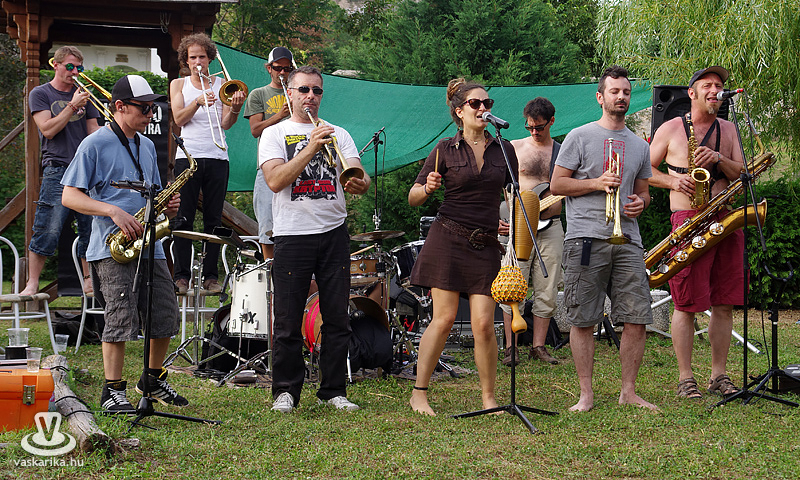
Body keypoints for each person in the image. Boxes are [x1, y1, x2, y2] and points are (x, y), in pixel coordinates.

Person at [61, 75, 187, 411]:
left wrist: (166, 205)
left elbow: (151, 194)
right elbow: (69, 196)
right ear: (119, 106)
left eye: (152, 108)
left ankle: (153, 379)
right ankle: (112, 391)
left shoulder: (147, 146)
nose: (151, 114)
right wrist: (112, 211)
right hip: (112, 246)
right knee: (119, 317)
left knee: (165, 314)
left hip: (149, 244)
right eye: (144, 108)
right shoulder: (94, 144)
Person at [259, 66, 370, 413]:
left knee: (337, 316)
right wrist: (309, 148)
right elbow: (275, 180)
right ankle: (286, 391)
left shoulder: (339, 132)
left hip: (334, 232)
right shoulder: (274, 134)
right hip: (292, 234)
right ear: (289, 93)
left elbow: (358, 174)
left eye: (317, 91)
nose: (311, 96)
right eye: (304, 89)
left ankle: (334, 390)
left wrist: (360, 183)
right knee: (288, 318)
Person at [407, 78, 517, 416]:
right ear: (459, 111)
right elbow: (413, 197)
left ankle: (489, 398)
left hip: (485, 243)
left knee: (484, 324)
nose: (483, 108)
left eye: (488, 103)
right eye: (475, 103)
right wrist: (427, 188)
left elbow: (514, 195)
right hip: (448, 239)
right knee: (444, 319)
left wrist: (511, 222)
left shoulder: (504, 149)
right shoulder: (444, 149)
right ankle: (419, 393)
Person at [550, 65, 657, 412]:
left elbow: (644, 192)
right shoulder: (579, 136)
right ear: (600, 97)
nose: (621, 97)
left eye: (626, 92)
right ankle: (586, 394)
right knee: (583, 317)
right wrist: (596, 183)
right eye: (614, 91)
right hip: (585, 237)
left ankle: (629, 392)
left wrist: (641, 203)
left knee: (637, 316)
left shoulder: (639, 145)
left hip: (628, 239)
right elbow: (557, 184)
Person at [649, 66, 745, 399]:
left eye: (719, 85)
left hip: (725, 217)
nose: (715, 90)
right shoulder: (671, 128)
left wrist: (718, 158)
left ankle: (719, 375)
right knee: (686, 303)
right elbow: (644, 169)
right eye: (708, 85)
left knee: (724, 302)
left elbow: (743, 174)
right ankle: (685, 378)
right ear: (692, 93)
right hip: (688, 219)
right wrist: (673, 181)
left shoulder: (729, 129)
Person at [20, 46, 101, 296]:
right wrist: (72, 106)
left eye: (79, 67)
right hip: (57, 168)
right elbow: (47, 129)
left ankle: (88, 280)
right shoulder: (41, 93)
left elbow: (93, 132)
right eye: (70, 66)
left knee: (90, 227)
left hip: (85, 170)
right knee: (48, 226)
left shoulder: (84, 95)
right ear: (55, 65)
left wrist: (116, 127)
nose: (75, 72)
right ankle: (32, 283)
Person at [170, 33, 246, 294]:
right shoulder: (178, 84)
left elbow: (225, 124)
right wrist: (197, 101)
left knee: (214, 219)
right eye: (193, 57)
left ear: (210, 58)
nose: (198, 62)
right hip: (188, 157)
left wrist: (235, 108)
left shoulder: (222, 84)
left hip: (217, 156)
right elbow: (179, 119)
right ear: (186, 60)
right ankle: (181, 277)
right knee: (184, 217)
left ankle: (210, 277)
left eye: (202, 57)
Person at [499, 97, 563, 366]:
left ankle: (539, 346)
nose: (534, 132)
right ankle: (510, 348)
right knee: (513, 284)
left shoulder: (562, 151)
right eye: (530, 127)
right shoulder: (514, 148)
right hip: (519, 226)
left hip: (552, 225)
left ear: (552, 121)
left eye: (540, 127)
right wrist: (499, 217)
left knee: (547, 288)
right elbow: (497, 186)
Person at [244, 46, 296, 259]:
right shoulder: (259, 94)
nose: (282, 73)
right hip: (269, 167)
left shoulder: (297, 93)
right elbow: (255, 130)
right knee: (267, 224)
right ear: (269, 68)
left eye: (287, 69)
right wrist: (279, 115)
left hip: (295, 166)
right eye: (277, 68)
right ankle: (269, 271)